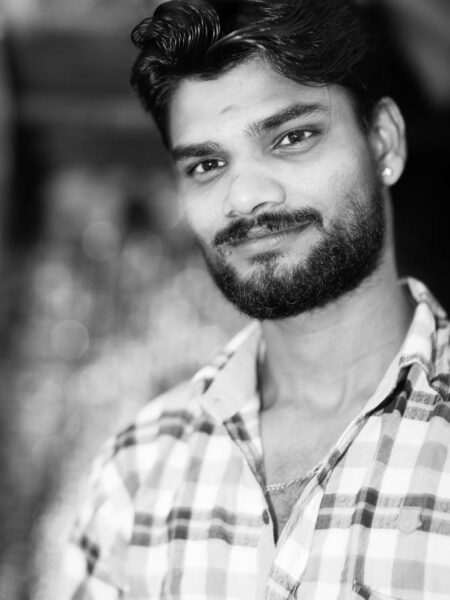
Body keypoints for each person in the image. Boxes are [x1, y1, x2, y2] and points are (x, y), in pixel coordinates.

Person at [60, 1, 450, 598]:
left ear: (383, 143)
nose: (245, 195)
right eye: (208, 164)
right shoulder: (141, 467)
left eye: (292, 137)